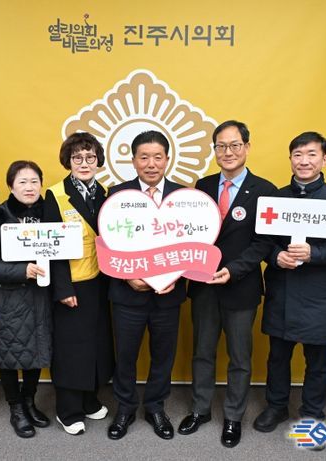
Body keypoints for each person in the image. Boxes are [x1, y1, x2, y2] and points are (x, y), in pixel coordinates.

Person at [253, 132, 326, 442]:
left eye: (312, 154)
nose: (304, 161)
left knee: (318, 361)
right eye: (298, 155)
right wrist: (276, 257)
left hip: (321, 293)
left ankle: (312, 414)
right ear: (290, 159)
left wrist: (314, 253)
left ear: (324, 159)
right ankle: (276, 406)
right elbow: (263, 243)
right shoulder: (276, 198)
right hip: (283, 289)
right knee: (277, 356)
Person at [180, 120, 277, 448]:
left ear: (247, 147)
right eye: (221, 146)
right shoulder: (203, 186)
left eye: (235, 145)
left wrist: (233, 270)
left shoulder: (265, 190)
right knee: (202, 352)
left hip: (241, 285)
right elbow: (192, 233)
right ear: (215, 150)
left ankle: (234, 416)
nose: (228, 152)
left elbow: (263, 242)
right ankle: (200, 409)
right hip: (204, 285)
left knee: (239, 357)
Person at [106, 130, 186, 441]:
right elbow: (106, 242)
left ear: (167, 159)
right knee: (125, 355)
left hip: (168, 295)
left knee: (163, 355)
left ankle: (155, 407)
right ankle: (125, 408)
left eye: (157, 157)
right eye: (144, 157)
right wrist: (126, 275)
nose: (151, 164)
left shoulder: (183, 197)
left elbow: (192, 242)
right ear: (133, 160)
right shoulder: (116, 194)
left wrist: (175, 276)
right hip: (127, 293)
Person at [43, 132, 115, 435]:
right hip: (71, 284)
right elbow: (52, 247)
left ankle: (89, 400)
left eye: (90, 157)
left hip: (100, 281)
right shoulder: (55, 194)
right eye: (77, 158)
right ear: (68, 161)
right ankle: (68, 409)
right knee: (71, 348)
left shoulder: (106, 193)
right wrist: (62, 289)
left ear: (98, 161)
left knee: (96, 344)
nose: (84, 163)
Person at [0, 160, 52, 438]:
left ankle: (30, 401)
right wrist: (23, 270)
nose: (29, 187)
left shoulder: (49, 213)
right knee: (10, 354)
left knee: (36, 351)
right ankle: (16, 407)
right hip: (10, 299)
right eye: (22, 182)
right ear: (10, 186)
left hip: (41, 297)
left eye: (34, 181)